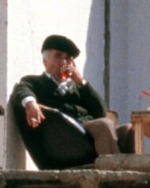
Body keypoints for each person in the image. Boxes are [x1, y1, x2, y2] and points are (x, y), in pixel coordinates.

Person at [11, 34, 131, 169]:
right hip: (68, 135)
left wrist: (81, 82)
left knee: (129, 130)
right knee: (103, 125)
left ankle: (135, 174)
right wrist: (30, 103)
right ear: (45, 61)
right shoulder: (35, 82)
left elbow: (100, 111)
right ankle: (113, 174)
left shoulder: (77, 86)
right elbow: (22, 89)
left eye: (68, 58)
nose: (63, 62)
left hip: (91, 131)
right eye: (58, 56)